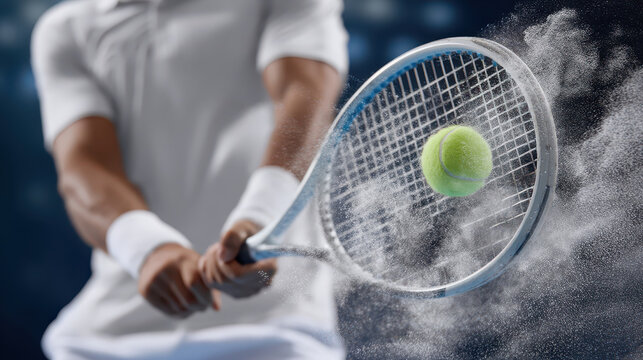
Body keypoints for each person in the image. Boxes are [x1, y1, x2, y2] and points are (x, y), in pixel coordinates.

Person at [31, 0, 348, 358]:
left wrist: (259, 221)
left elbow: (306, 99)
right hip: (107, 341)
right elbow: (83, 167)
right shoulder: (63, 30)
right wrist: (148, 248)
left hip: (279, 333)